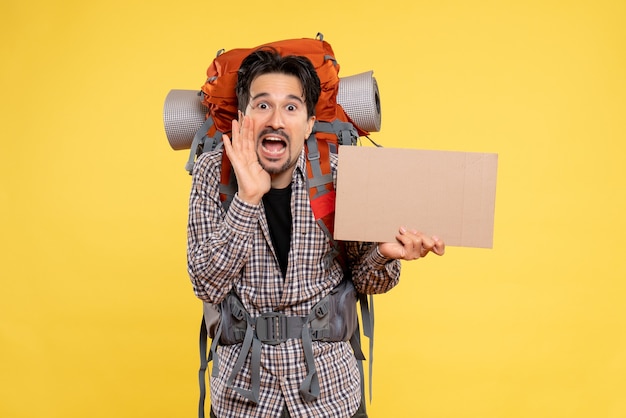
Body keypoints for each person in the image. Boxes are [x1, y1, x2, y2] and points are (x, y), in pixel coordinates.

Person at [187, 48, 445, 418]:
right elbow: (206, 284)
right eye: (262, 106)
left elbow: (365, 280)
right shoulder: (215, 172)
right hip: (242, 399)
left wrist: (384, 253)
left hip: (329, 393)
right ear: (243, 119)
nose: (276, 120)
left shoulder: (338, 174)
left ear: (308, 124)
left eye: (291, 108)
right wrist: (246, 199)